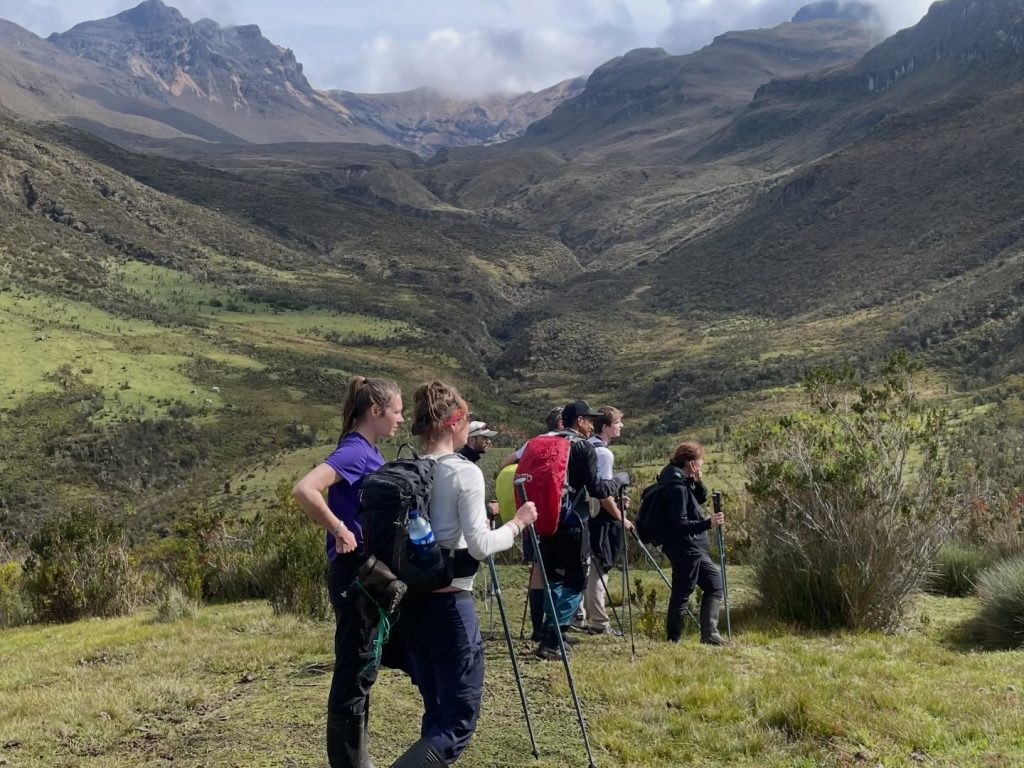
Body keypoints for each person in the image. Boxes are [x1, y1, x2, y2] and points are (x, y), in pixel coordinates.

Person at [389, 380, 537, 767]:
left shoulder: (407, 469)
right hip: (451, 604)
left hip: (411, 606)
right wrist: (518, 523)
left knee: (436, 709)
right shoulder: (463, 473)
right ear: (455, 423)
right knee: (457, 722)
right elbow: (480, 546)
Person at [292, 376, 405, 768]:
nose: (401, 419)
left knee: (362, 667)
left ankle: (357, 759)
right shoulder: (355, 451)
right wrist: (338, 528)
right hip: (352, 574)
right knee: (353, 669)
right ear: (376, 411)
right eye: (396, 411)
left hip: (364, 575)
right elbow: (305, 489)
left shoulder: (367, 450)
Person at [533, 399, 618, 660]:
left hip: (545, 521)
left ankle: (551, 631)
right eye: (589, 420)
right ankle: (552, 637)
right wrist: (616, 483)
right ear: (579, 421)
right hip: (573, 522)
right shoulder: (582, 448)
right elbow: (596, 489)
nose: (592, 425)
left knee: (553, 578)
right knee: (575, 580)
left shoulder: (545, 443)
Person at [499, 405, 563, 642]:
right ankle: (554, 628)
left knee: (537, 569)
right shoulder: (567, 441)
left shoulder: (533, 443)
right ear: (561, 423)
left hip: (532, 511)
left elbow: (506, 464)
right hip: (556, 513)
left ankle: (538, 628)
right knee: (561, 572)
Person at [658, 441, 727, 645]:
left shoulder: (677, 478)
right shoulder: (676, 487)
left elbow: (699, 499)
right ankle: (675, 639)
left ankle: (708, 635)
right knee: (682, 592)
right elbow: (680, 523)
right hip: (686, 547)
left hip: (689, 547)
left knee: (714, 584)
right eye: (699, 462)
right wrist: (708, 523)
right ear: (691, 463)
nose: (701, 465)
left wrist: (697, 482)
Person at [583, 406, 633, 636]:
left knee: (588, 565)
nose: (621, 426)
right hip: (599, 518)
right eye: (617, 423)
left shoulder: (585, 446)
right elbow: (602, 494)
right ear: (605, 427)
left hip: (583, 514)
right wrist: (621, 517)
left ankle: (583, 615)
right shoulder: (603, 454)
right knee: (599, 566)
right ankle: (599, 621)